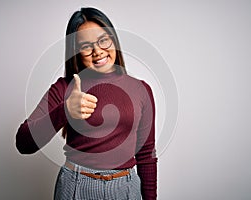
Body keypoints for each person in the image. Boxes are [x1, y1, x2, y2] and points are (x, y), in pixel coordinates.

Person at [16, 7, 157, 200]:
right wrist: (65, 111)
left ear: (113, 40)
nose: (98, 51)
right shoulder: (65, 88)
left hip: (126, 188)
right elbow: (23, 143)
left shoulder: (141, 90)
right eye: (86, 46)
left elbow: (147, 154)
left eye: (103, 40)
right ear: (76, 52)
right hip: (76, 186)